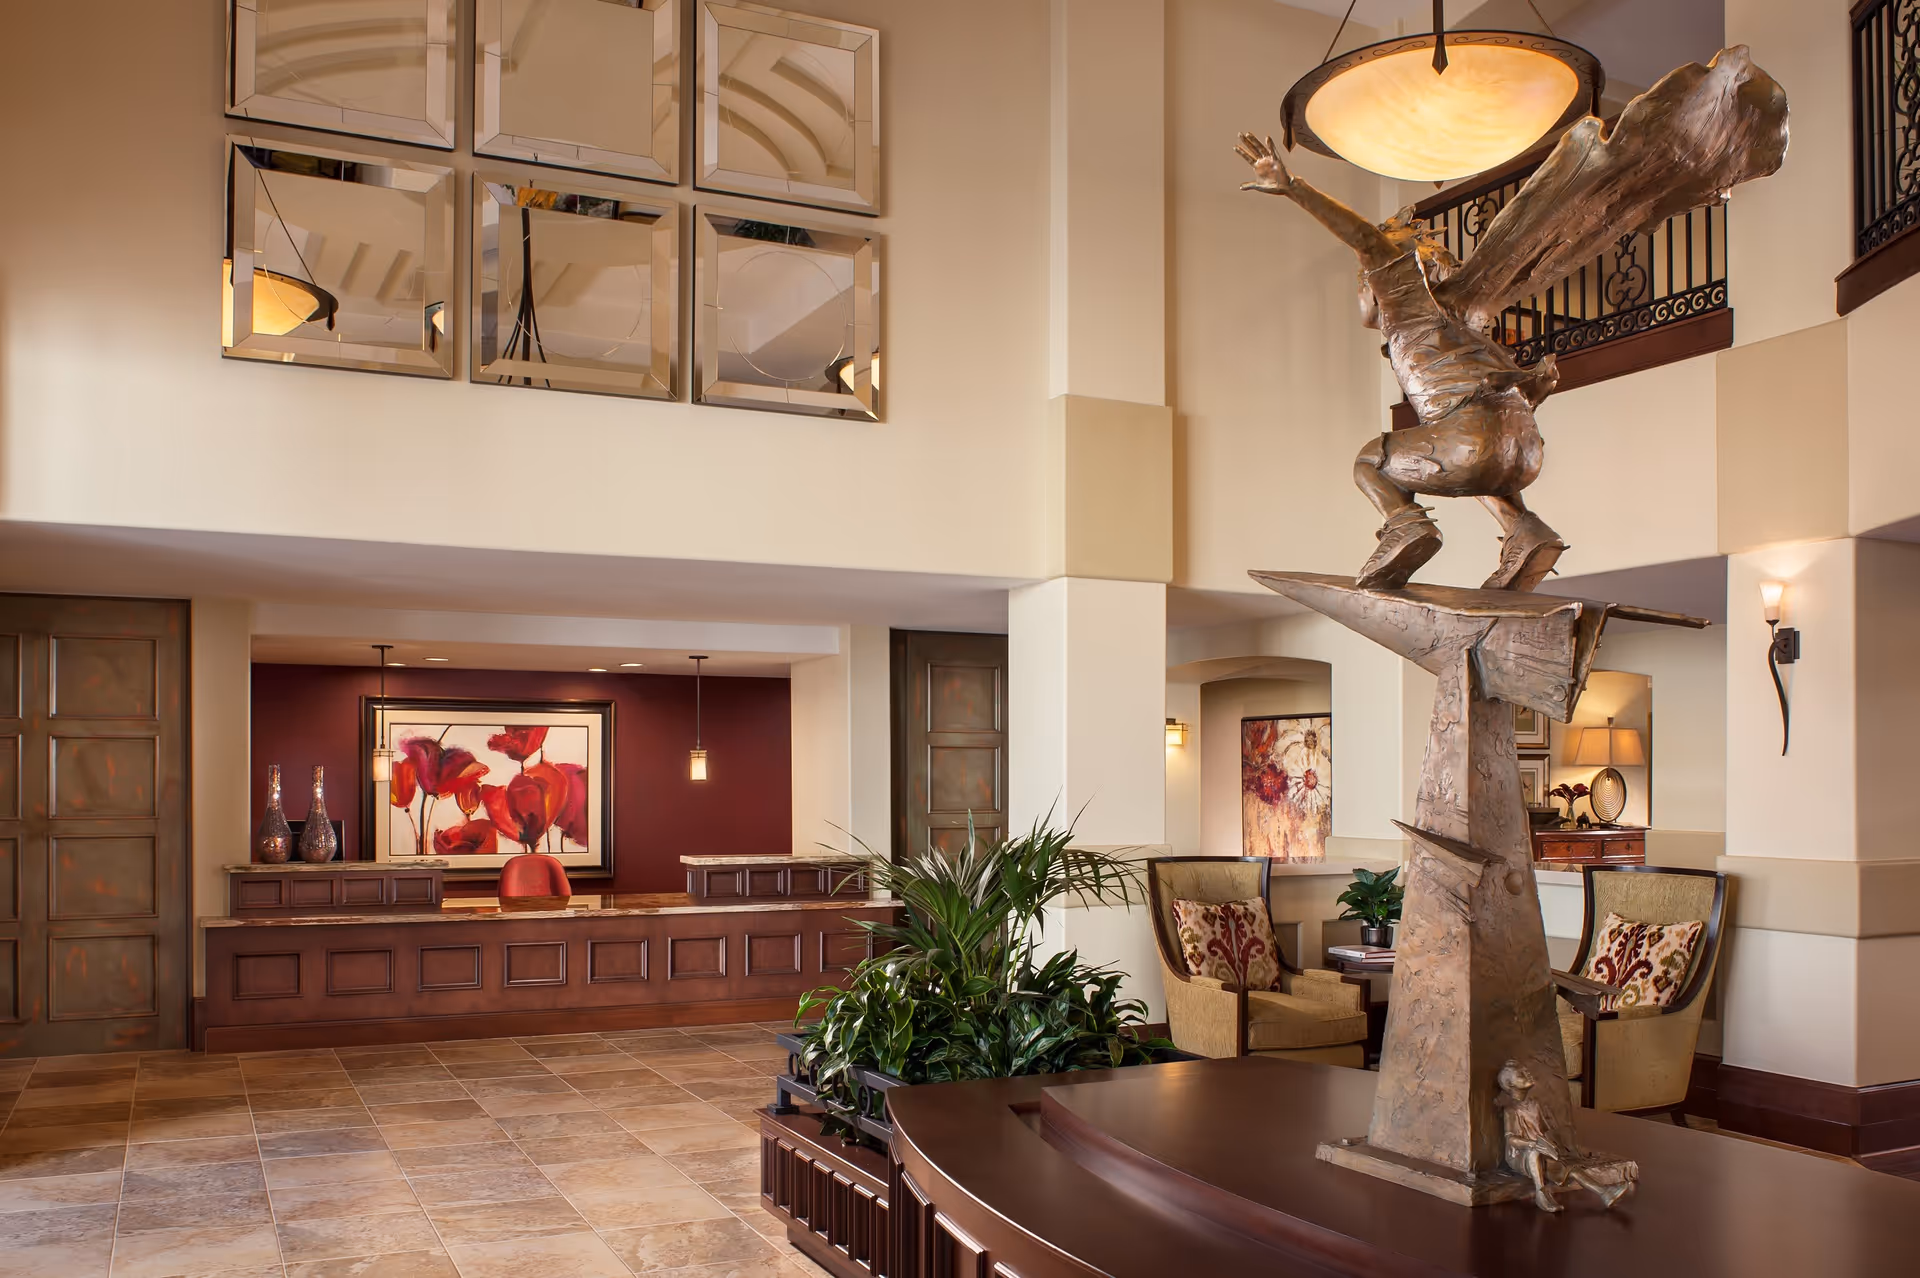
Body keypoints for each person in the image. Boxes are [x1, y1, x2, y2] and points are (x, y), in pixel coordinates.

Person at [1235, 134, 1564, 592]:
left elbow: (1365, 239)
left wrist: (1293, 187)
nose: (1363, 290)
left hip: (1474, 442)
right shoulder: (1465, 319)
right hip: (1523, 453)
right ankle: (1525, 529)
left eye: (1363, 280)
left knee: (1370, 460)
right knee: (1468, 457)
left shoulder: (1407, 302)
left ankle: (1406, 525)